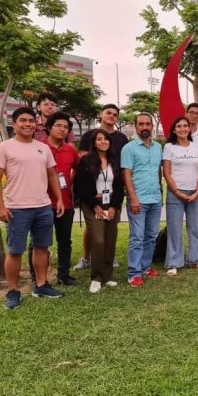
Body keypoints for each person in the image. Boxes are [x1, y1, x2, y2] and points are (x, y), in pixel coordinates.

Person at [0, 107, 65, 309]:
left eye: (31, 120)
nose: (28, 124)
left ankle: (40, 285)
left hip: (43, 206)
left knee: (42, 248)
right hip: (17, 208)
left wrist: (58, 199)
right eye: (23, 120)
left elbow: (52, 175)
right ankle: (13, 291)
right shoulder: (4, 148)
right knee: (15, 251)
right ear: (14, 124)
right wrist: (0, 206)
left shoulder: (43, 148)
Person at [75, 104, 129, 271]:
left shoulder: (121, 138)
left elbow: (123, 163)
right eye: (108, 113)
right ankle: (86, 257)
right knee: (93, 229)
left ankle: (108, 258)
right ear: (101, 114)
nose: (111, 116)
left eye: (115, 114)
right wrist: (91, 194)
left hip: (113, 188)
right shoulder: (88, 136)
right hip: (94, 192)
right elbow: (84, 165)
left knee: (110, 227)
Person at [27, 112, 79, 287]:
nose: (62, 129)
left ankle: (63, 274)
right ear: (49, 127)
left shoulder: (70, 150)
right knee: (37, 242)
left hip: (65, 202)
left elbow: (78, 169)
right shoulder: (37, 147)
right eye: (58, 125)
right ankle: (36, 277)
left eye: (66, 127)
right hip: (40, 202)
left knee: (65, 241)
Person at [73, 129, 124, 293]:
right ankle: (96, 278)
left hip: (111, 205)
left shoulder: (114, 160)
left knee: (110, 240)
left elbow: (118, 186)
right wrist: (95, 205)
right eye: (99, 139)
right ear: (94, 143)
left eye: (106, 139)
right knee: (99, 240)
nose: (103, 142)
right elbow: (80, 186)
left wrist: (113, 207)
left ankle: (108, 276)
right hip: (92, 205)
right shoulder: (87, 160)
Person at [121, 113, 163, 287]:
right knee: (137, 237)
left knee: (151, 236)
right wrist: (133, 198)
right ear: (136, 126)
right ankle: (134, 273)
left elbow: (158, 171)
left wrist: (160, 189)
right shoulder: (129, 148)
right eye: (141, 124)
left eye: (148, 124)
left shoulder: (158, 147)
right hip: (138, 200)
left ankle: (145, 267)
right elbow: (127, 175)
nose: (145, 127)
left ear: (152, 126)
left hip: (155, 198)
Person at [163, 116, 198, 275]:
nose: (182, 129)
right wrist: (177, 192)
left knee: (195, 227)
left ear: (189, 128)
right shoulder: (169, 147)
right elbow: (166, 173)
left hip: (194, 192)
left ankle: (195, 259)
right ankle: (174, 262)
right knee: (175, 228)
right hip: (176, 193)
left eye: (185, 126)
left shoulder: (197, 147)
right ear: (174, 130)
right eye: (179, 126)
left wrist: (197, 191)